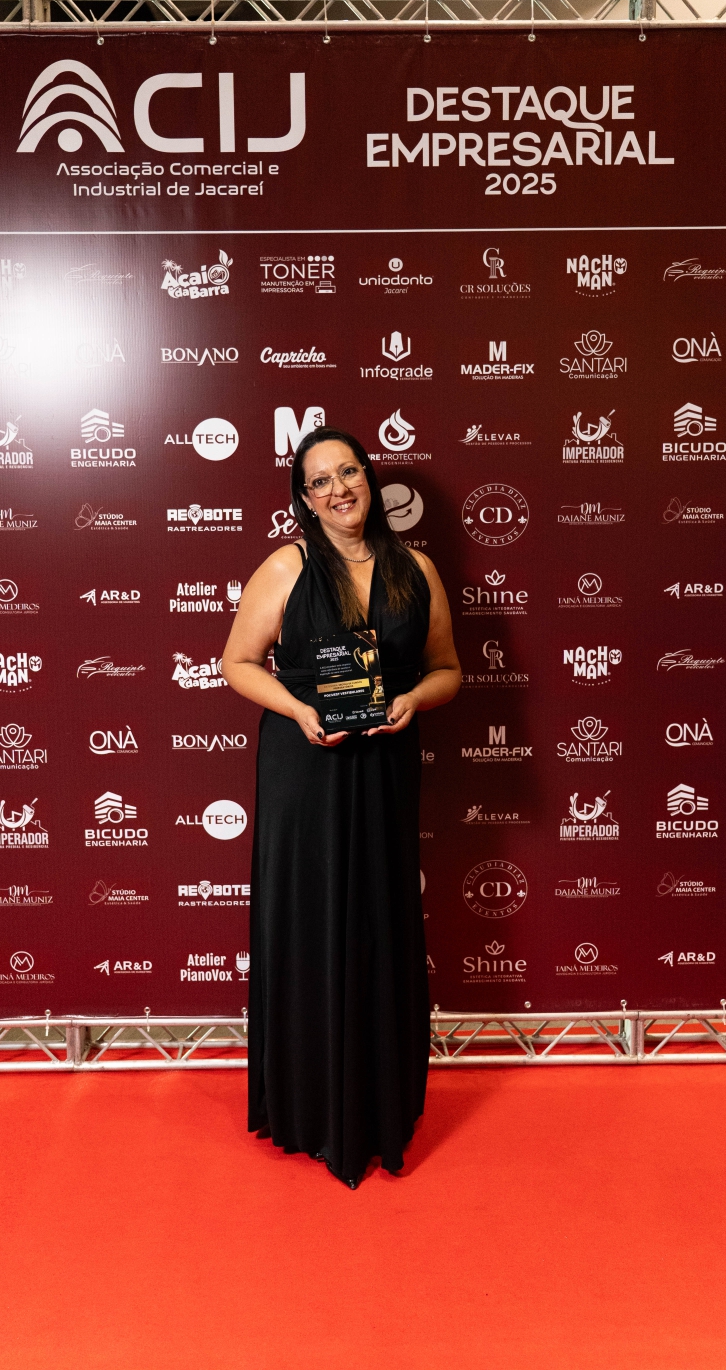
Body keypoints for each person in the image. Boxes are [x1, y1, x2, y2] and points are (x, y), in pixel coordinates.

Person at [222, 428, 461, 1188]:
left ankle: (378, 1106)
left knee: (378, 923)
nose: (338, 490)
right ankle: (309, 1107)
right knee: (311, 921)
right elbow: (236, 663)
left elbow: (447, 669)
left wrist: (415, 699)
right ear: (304, 498)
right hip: (306, 765)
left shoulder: (416, 569)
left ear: (369, 478)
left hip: (384, 763)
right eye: (320, 481)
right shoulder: (286, 567)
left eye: (348, 472)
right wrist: (297, 710)